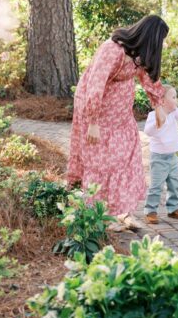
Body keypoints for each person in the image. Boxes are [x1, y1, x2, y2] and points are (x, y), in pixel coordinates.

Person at [67, 14, 168, 231]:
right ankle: (100, 215)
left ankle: (122, 212)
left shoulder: (138, 55)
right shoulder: (112, 50)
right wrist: (93, 121)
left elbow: (148, 77)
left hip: (120, 116)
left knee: (128, 158)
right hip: (98, 114)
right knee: (103, 163)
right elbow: (95, 83)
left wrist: (158, 104)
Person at [142, 85, 178, 225]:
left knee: (174, 184)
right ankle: (150, 211)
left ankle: (173, 208)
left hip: (172, 157)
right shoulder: (154, 115)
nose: (176, 100)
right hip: (159, 158)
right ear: (162, 101)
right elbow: (148, 131)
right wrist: (159, 122)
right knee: (156, 186)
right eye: (173, 97)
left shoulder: (174, 114)